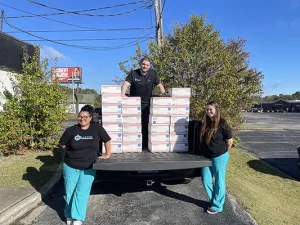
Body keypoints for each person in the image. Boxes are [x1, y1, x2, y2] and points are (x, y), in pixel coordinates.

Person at [59, 105, 111, 225]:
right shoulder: (71, 130)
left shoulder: (97, 129)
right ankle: (69, 214)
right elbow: (62, 145)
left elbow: (107, 140)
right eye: (80, 117)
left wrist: (107, 155)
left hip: (89, 167)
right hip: (70, 165)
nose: (82, 119)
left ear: (91, 118)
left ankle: (77, 217)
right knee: (70, 191)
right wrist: (71, 152)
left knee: (82, 192)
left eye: (85, 117)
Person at [121, 57, 167, 149]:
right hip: (134, 104)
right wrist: (122, 95)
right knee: (134, 124)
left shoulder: (153, 74)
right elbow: (126, 84)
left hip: (147, 104)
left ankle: (145, 145)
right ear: (140, 64)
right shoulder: (133, 73)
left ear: (149, 66)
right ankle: (133, 144)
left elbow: (159, 85)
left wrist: (164, 94)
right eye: (143, 64)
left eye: (147, 65)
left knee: (146, 124)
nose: (145, 66)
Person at [199, 100, 233, 214]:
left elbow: (229, 141)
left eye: (210, 109)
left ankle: (217, 206)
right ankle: (215, 200)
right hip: (206, 157)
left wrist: (223, 152)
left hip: (219, 157)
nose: (208, 112)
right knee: (205, 180)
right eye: (207, 110)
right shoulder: (206, 123)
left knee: (219, 181)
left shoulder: (223, 124)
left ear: (216, 110)